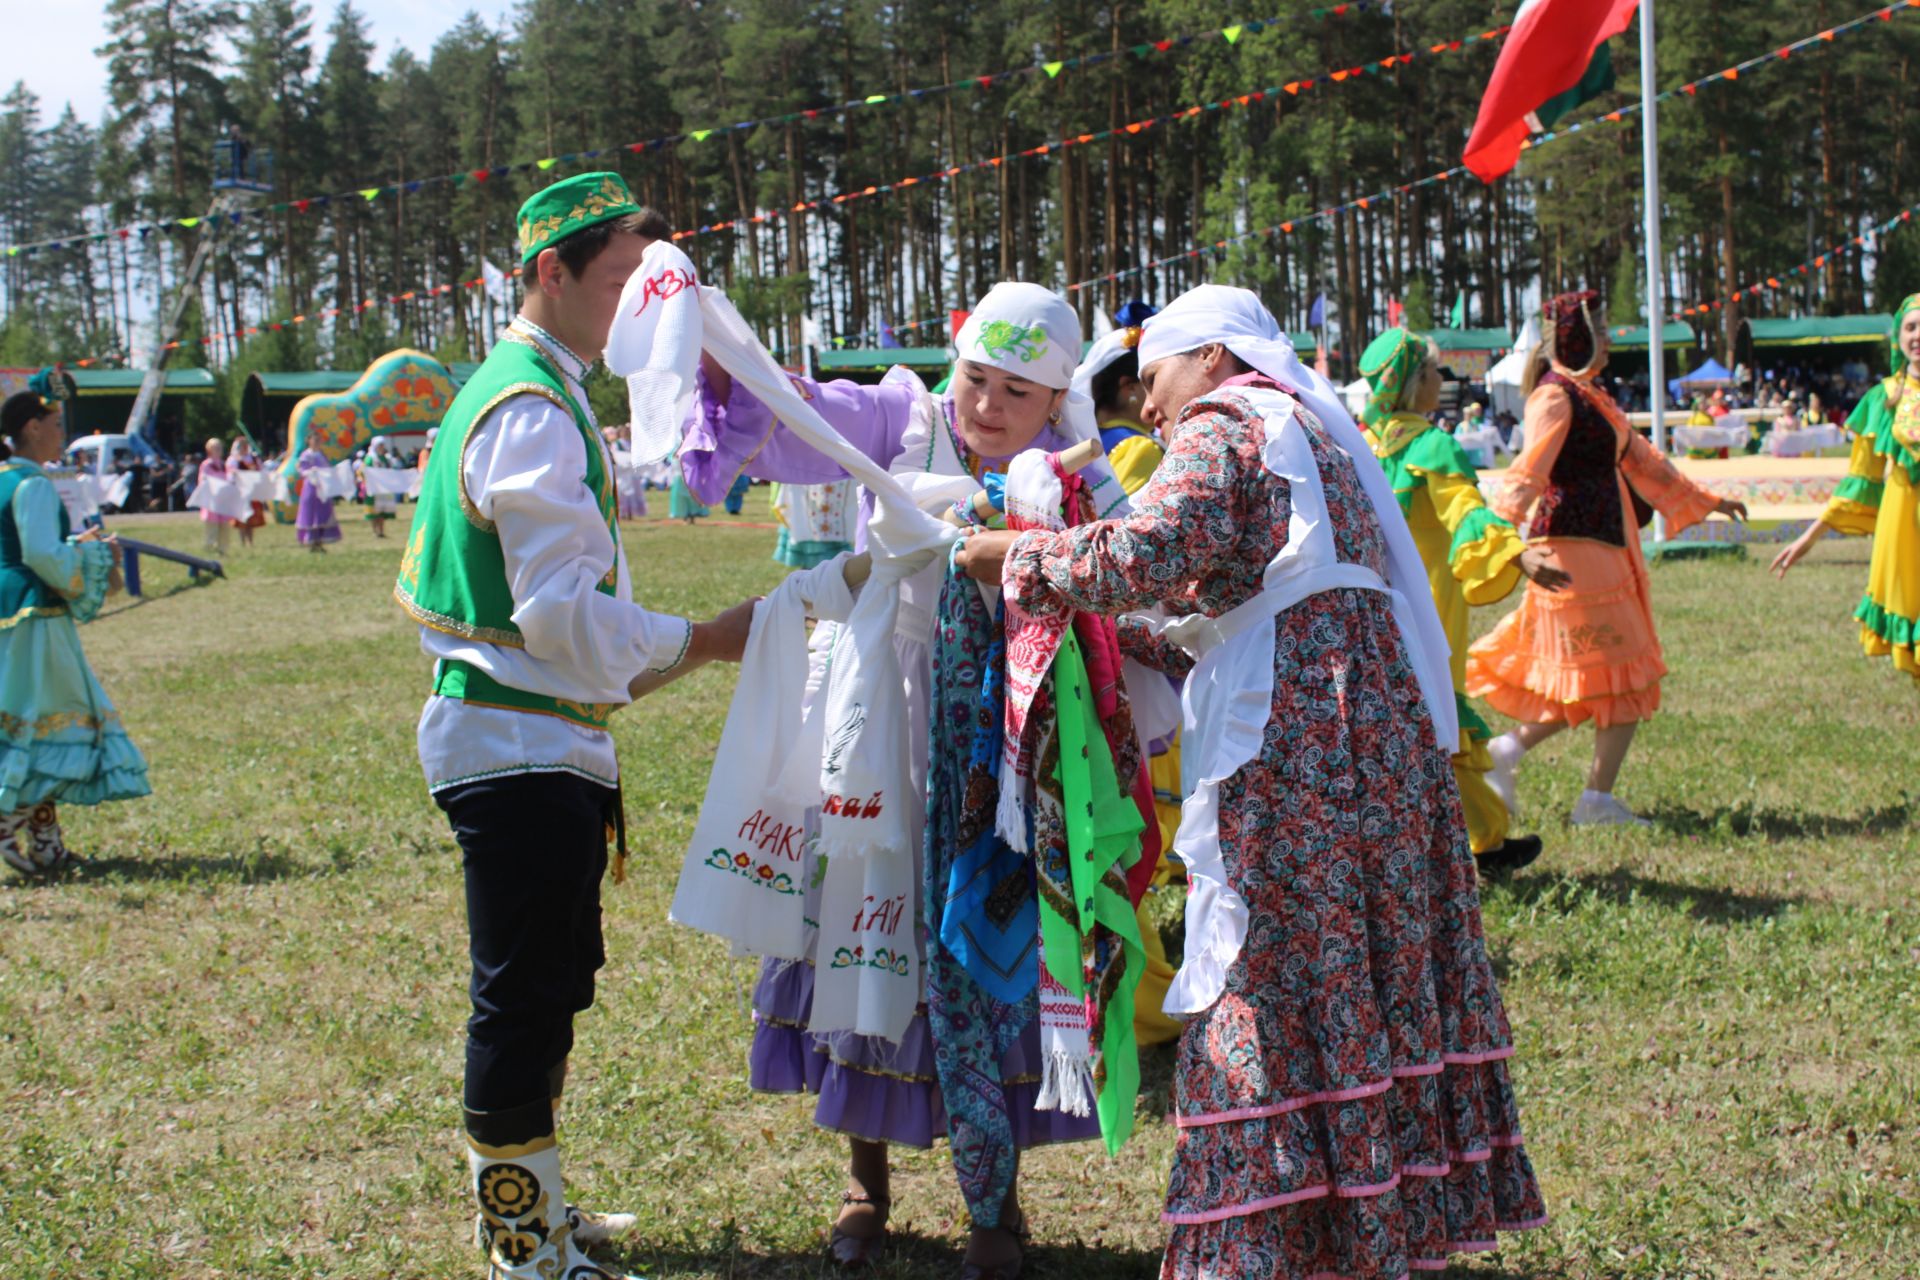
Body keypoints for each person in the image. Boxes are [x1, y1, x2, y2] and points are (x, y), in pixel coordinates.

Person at [951, 285, 1547, 1280]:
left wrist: (1019, 558)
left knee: (1259, 974)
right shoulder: (1308, 433)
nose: (1147, 407)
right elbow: (1229, 603)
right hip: (1372, 735)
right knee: (1356, 966)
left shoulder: (1229, 416)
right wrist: (1102, 624)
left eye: (1154, 379)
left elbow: (1151, 551)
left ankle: (1254, 1241)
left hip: (1297, 745)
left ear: (1214, 359)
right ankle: (1359, 1226)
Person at [682, 283, 1137, 1278]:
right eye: (977, 377)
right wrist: (718, 351)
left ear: (1054, 397)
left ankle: (996, 1198)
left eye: (1016, 391)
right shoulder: (903, 418)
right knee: (862, 935)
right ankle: (865, 1180)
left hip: (1006, 754)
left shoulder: (1070, 474)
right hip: (879, 727)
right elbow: (799, 412)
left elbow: (1135, 563)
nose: (985, 405)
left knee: (986, 949)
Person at [395, 173, 754, 1280]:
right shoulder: (529, 406)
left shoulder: (527, 388)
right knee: (521, 999)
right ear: (551, 273)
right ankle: (522, 1247)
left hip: (533, 738)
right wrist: (704, 634)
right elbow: (555, 616)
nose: (639, 305)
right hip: (514, 745)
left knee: (550, 987)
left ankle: (538, 1208)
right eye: (619, 281)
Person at [1467, 292, 1746, 827]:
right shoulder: (1554, 397)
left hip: (1607, 542)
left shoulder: (1590, 395)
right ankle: (1593, 799)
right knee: (1622, 670)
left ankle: (1513, 755)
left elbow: (1642, 460)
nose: (1613, 342)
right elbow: (1528, 472)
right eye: (1605, 331)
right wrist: (1504, 542)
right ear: (1579, 336)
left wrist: (1709, 501)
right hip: (1575, 547)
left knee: (1597, 672)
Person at [1358, 326, 1559, 874]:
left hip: (1365, 613)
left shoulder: (1354, 446)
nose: (1439, 384)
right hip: (1424, 611)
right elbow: (1466, 509)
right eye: (1431, 374)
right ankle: (1480, 841)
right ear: (1411, 384)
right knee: (1439, 719)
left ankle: (1469, 840)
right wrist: (1516, 552)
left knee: (1401, 726)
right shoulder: (1431, 446)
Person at [0, 391, 150, 875]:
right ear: (31, 428)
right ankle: (6, 824)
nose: (62, 433)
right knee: (63, 719)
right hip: (35, 615)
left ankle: (46, 841)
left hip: (10, 610)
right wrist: (93, 558)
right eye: (55, 423)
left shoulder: (5, 481)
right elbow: (42, 555)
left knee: (33, 722)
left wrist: (71, 545)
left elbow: (24, 544)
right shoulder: (34, 484)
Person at [1771, 293, 1920, 682]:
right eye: (1911, 327)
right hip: (1904, 527)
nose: (1918, 335)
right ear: (1897, 338)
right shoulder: (1883, 399)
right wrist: (1810, 536)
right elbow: (1860, 482)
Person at [296, 446, 341, 552]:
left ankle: (320, 542)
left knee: (323, 514)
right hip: (311, 487)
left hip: (323, 487)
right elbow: (301, 469)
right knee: (311, 514)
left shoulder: (322, 454)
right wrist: (311, 472)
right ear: (310, 441)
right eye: (315, 440)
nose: (317, 442)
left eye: (318, 440)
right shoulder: (306, 455)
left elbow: (328, 468)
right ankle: (312, 542)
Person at [198, 437, 236, 558]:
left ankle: (223, 549)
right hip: (212, 500)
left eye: (220, 448)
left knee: (224, 526)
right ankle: (210, 548)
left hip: (223, 500)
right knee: (212, 526)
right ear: (209, 450)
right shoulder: (206, 465)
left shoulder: (224, 465)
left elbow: (230, 478)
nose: (218, 450)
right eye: (216, 448)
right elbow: (203, 480)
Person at [229, 435, 267, 546]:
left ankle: (251, 541)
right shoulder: (234, 461)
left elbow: (262, 472)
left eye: (245, 445)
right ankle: (243, 542)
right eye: (241, 446)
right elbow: (231, 476)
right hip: (241, 493)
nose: (243, 448)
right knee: (242, 519)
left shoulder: (254, 459)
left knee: (251, 518)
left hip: (252, 493)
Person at [361, 435, 402, 538]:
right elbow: (365, 470)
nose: (382, 447)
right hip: (374, 488)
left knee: (382, 510)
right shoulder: (370, 458)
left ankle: (381, 530)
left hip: (383, 488)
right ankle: (375, 531)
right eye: (380, 445)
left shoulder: (385, 458)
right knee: (374, 511)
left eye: (383, 445)